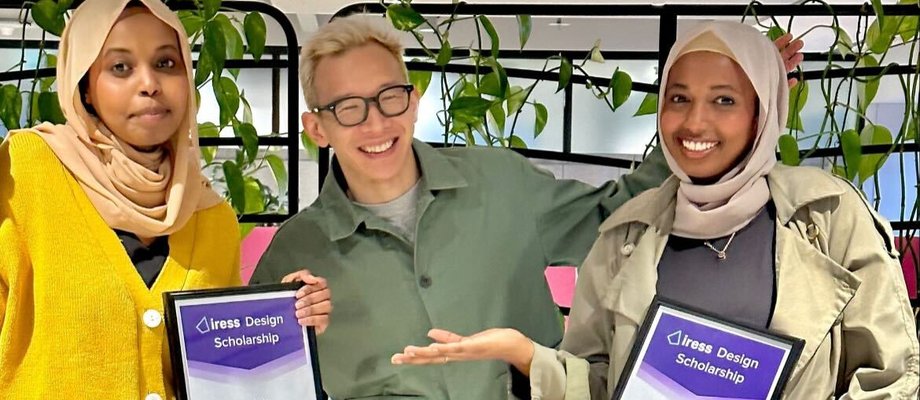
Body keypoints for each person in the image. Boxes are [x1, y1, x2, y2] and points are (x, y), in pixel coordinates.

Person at [251, 14, 805, 399]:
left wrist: (701, 128)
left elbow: (612, 216)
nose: (376, 123)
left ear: (414, 101)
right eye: (348, 108)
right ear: (316, 128)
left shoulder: (501, 182)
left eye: (389, 97)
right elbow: (258, 381)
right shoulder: (294, 253)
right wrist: (288, 335)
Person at [391, 21, 920, 399]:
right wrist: (528, 357)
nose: (695, 123)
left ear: (764, 111)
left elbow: (892, 378)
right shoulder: (626, 232)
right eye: (679, 98)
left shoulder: (828, 215)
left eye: (725, 100)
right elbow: (598, 383)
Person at [0, 0, 327, 398]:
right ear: (84, 86)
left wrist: (283, 319)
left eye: (166, 63)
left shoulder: (212, 219)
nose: (149, 84)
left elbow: (220, 372)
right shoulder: (26, 172)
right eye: (120, 67)